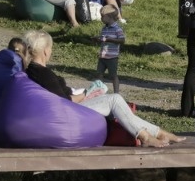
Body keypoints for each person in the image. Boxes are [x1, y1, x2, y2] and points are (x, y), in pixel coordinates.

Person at [23, 30, 182, 147]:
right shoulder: (44, 74)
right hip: (68, 114)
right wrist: (86, 94)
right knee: (114, 100)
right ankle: (146, 137)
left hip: (63, 112)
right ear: (46, 51)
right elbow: (63, 102)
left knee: (113, 101)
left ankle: (158, 133)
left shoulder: (33, 70)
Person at [96, 5, 124, 93]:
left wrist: (109, 39)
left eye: (102, 16)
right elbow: (103, 39)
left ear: (109, 17)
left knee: (113, 75)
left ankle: (116, 92)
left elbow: (122, 40)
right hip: (102, 56)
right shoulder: (104, 28)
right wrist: (98, 39)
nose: (101, 18)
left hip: (112, 57)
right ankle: (100, 91)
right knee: (99, 74)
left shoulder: (117, 29)